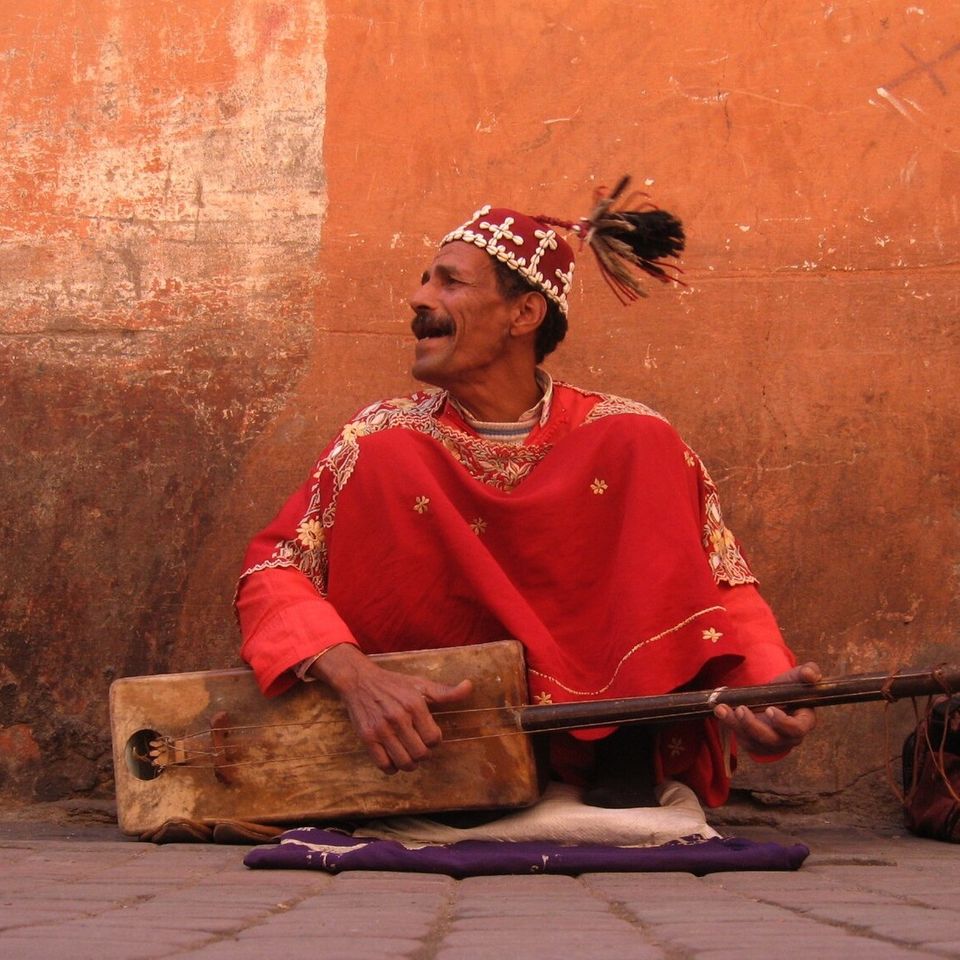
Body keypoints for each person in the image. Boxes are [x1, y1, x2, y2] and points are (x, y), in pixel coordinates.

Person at [236, 185, 819, 809]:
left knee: (638, 441)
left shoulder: (623, 434)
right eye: (424, 280)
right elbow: (272, 573)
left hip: (615, 763)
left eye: (449, 283)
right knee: (392, 457)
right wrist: (359, 681)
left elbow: (721, 581)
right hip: (440, 739)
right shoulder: (377, 439)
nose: (419, 298)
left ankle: (620, 745)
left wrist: (762, 687)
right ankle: (479, 767)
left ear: (524, 315)